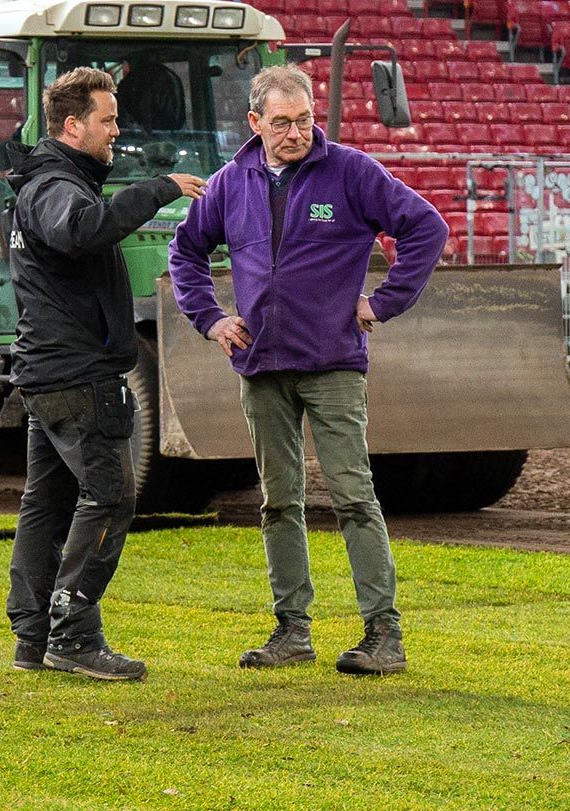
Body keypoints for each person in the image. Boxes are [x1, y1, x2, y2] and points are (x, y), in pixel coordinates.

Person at [168, 65, 447, 676]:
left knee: (353, 496)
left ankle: (384, 635)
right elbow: (185, 251)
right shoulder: (227, 183)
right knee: (278, 502)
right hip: (260, 363)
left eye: (304, 120)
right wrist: (211, 319)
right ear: (255, 122)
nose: (295, 132)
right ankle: (292, 630)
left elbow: (426, 227)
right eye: (281, 122)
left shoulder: (350, 171)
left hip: (332, 364)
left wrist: (383, 302)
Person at [5, 68, 205, 681]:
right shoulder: (54, 187)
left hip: (51, 374)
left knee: (50, 501)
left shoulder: (46, 182)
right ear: (73, 125)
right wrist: (160, 188)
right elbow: (83, 230)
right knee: (111, 497)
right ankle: (73, 633)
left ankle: (33, 636)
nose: (117, 130)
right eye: (108, 119)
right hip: (77, 376)